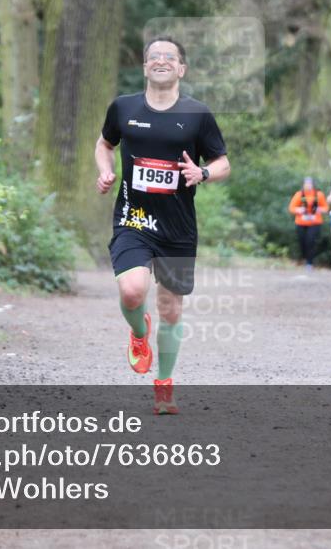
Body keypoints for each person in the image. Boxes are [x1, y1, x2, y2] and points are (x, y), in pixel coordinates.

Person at [95, 36, 230, 415]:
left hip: (177, 226)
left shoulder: (197, 114)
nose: (161, 61)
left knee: (171, 310)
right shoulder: (123, 108)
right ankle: (140, 333)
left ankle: (164, 387)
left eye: (169, 57)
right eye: (154, 56)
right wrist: (106, 172)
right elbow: (104, 145)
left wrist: (202, 172)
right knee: (133, 292)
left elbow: (222, 162)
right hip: (133, 218)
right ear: (144, 67)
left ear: (181, 69)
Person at [288, 177, 328, 271]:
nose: (308, 185)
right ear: (303, 185)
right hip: (301, 222)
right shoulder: (299, 195)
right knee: (302, 241)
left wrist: (320, 209)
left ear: (313, 185)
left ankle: (310, 262)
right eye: (306, 184)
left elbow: (326, 207)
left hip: (315, 222)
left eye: (310, 184)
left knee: (310, 241)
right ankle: (305, 258)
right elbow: (291, 208)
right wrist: (298, 209)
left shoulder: (319, 195)